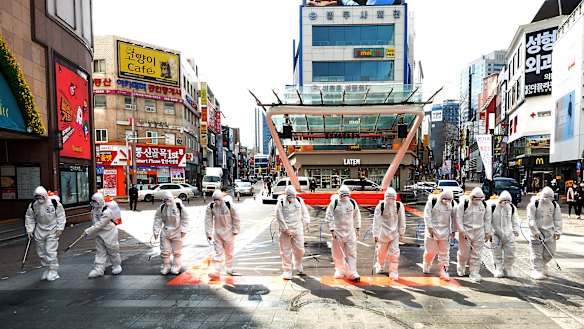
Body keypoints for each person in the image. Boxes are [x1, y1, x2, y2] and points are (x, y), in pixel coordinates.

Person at [24, 186, 66, 281]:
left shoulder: (54, 203)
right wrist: (30, 230)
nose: (39, 199)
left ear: (45, 196)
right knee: (41, 252)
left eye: (41, 197)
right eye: (37, 197)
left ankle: (53, 270)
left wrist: (60, 228)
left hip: (52, 229)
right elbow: (29, 217)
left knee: (50, 251)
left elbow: (61, 215)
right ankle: (47, 268)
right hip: (40, 230)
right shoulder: (33, 205)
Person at [325, 185, 362, 281]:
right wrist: (332, 230)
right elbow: (328, 217)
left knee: (352, 253)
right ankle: (340, 270)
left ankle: (352, 272)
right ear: (340, 195)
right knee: (338, 253)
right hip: (338, 232)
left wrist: (358, 228)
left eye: (347, 195)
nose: (345, 197)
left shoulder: (352, 203)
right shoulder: (334, 203)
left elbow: (357, 216)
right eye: (343, 195)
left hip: (350, 232)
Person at [456, 187, 492, 283]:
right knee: (464, 254)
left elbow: (487, 220)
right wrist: (462, 230)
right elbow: (458, 218)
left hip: (479, 232)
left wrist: (487, 232)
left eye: (480, 199)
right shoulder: (464, 204)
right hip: (466, 232)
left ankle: (474, 273)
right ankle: (461, 267)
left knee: (476, 254)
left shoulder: (484, 205)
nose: (477, 201)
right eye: (476, 199)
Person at [83, 193, 122, 278]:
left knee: (112, 249)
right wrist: (91, 231)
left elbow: (100, 224)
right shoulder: (94, 210)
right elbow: (95, 223)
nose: (93, 203)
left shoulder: (107, 212)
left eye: (95, 201)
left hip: (109, 233)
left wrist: (88, 231)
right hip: (99, 233)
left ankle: (116, 265)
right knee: (100, 251)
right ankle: (99, 269)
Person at [275, 186, 311, 280]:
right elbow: (279, 215)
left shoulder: (299, 200)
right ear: (286, 195)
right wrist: (285, 229)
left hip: (297, 229)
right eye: (290, 196)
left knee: (300, 249)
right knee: (285, 251)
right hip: (285, 231)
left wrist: (307, 222)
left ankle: (298, 264)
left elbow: (305, 212)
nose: (291, 198)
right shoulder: (281, 202)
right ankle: (287, 270)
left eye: (293, 196)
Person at [527, 187, 562, 280]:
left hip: (550, 232)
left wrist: (558, 231)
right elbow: (530, 219)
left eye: (550, 197)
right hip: (536, 233)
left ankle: (542, 265)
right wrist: (535, 231)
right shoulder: (534, 204)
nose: (548, 199)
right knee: (536, 253)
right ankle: (537, 270)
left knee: (550, 252)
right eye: (546, 197)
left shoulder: (554, 205)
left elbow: (557, 219)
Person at [205, 190, 241, 278]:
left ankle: (229, 268)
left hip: (229, 232)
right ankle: (216, 270)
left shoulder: (229, 205)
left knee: (229, 252)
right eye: (215, 200)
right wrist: (208, 233)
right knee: (218, 251)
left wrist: (236, 229)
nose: (217, 202)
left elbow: (236, 217)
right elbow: (208, 220)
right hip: (217, 232)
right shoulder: (211, 206)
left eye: (218, 199)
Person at [423, 190, 457, 281]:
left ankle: (443, 270)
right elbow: (427, 215)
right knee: (430, 251)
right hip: (432, 232)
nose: (447, 201)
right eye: (446, 199)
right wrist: (429, 227)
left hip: (446, 232)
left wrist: (454, 231)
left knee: (444, 253)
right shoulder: (432, 201)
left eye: (450, 199)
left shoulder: (453, 204)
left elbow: (454, 218)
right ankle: (427, 263)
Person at [372, 187, 405, 281]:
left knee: (394, 253)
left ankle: (394, 271)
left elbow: (402, 219)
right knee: (381, 252)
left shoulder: (399, 206)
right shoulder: (380, 206)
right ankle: (380, 264)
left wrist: (401, 232)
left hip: (394, 234)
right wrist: (375, 234)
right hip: (383, 233)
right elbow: (376, 220)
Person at [153, 191, 189, 275]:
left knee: (177, 251)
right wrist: (156, 230)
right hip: (165, 231)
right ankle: (166, 266)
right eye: (166, 200)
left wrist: (184, 229)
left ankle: (176, 266)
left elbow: (186, 218)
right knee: (165, 250)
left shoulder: (179, 206)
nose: (168, 202)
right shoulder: (162, 208)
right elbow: (157, 219)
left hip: (177, 231)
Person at [488, 191, 519, 278]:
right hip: (496, 234)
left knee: (511, 252)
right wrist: (489, 232)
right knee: (496, 253)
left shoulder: (511, 208)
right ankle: (498, 268)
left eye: (508, 201)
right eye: (504, 201)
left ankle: (508, 268)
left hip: (509, 234)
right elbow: (488, 221)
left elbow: (515, 220)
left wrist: (515, 229)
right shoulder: (493, 208)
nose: (506, 203)